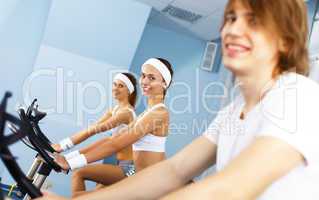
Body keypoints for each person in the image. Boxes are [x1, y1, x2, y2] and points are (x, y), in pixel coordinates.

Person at [38, 0, 319, 199]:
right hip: (134, 170)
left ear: (286, 41)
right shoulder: (234, 111)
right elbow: (173, 171)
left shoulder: (298, 97)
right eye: (231, 18)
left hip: (133, 170)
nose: (233, 29)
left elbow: (229, 190)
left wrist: (70, 159)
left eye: (253, 21)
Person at [53, 57, 174, 197]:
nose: (145, 81)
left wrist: (71, 163)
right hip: (141, 179)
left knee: (81, 193)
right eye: (143, 75)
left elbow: (115, 144)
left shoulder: (159, 113)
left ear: (164, 83)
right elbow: (111, 140)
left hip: (148, 183)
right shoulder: (147, 113)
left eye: (152, 78)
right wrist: (69, 158)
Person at [52, 72, 137, 197]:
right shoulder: (115, 110)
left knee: (79, 173)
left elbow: (95, 130)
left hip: (129, 169)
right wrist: (68, 156)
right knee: (92, 195)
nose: (115, 88)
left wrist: (62, 147)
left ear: (129, 91)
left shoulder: (126, 114)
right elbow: (93, 130)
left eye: (121, 86)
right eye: (114, 84)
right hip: (120, 166)